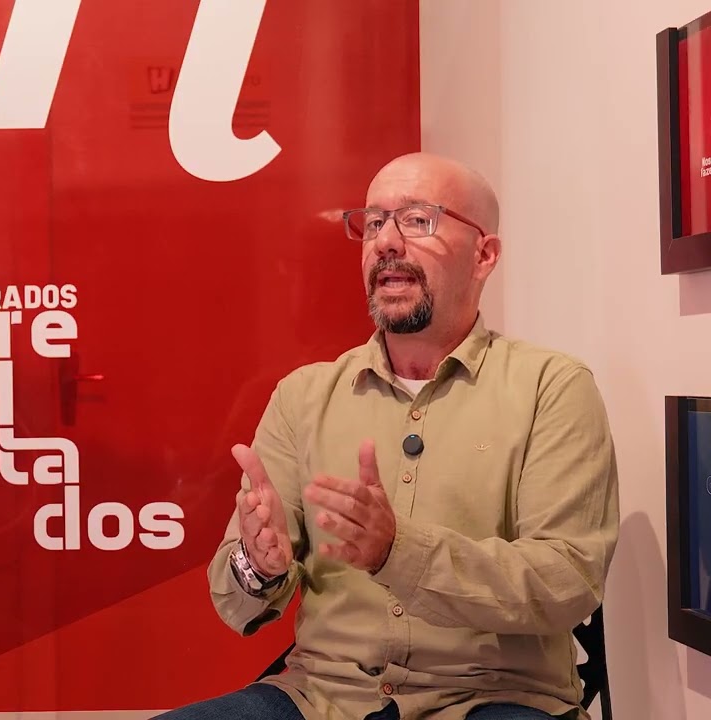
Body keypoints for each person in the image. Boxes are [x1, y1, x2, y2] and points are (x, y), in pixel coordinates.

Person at [155, 152, 619, 720]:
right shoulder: (303, 397)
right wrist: (257, 565)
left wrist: (399, 552)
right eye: (374, 222)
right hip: (321, 699)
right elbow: (235, 603)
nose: (386, 242)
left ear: (485, 255)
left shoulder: (552, 387)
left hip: (492, 697)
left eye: (418, 220)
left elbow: (567, 579)